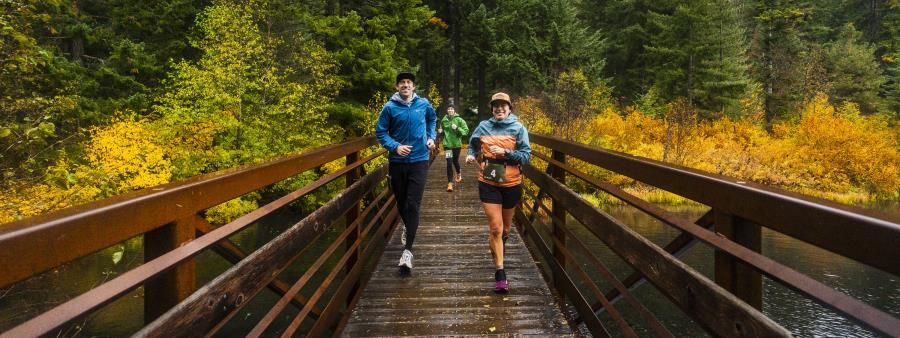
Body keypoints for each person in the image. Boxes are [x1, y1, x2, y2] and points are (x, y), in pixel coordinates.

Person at [465, 92, 531, 293]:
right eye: (496, 106)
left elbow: (526, 156)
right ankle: (500, 273)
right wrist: (470, 155)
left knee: (506, 229)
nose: (499, 109)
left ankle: (497, 246)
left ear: (510, 108)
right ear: (492, 108)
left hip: (511, 183)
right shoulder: (484, 126)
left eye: (503, 106)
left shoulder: (518, 128)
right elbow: (472, 144)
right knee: (495, 228)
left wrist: (507, 153)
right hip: (489, 181)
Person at [375, 71, 437, 274]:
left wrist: (430, 138)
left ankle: (407, 251)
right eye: (402, 82)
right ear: (397, 86)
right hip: (398, 162)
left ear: (413, 86)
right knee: (401, 202)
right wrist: (395, 147)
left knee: (412, 204)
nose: (405, 85)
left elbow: (432, 120)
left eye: (409, 82)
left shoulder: (424, 104)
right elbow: (381, 132)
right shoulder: (389, 107)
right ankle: (408, 225)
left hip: (420, 160)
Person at [440, 105, 469, 192]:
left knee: (455, 161)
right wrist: (440, 132)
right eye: (448, 109)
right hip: (448, 145)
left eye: (452, 109)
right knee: (449, 162)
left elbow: (465, 132)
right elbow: (442, 133)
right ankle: (450, 184)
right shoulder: (443, 120)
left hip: (456, 145)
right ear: (447, 110)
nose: (450, 110)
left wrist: (457, 128)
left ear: (454, 111)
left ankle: (459, 173)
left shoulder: (459, 120)